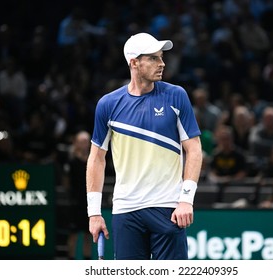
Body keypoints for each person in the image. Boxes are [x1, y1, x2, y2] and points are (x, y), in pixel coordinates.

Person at [86, 32, 203, 260]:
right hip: (126, 210)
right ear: (134, 62)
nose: (162, 64)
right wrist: (94, 213)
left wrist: (186, 199)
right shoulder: (108, 105)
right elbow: (96, 158)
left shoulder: (176, 96)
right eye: (153, 58)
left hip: (168, 207)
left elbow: (194, 149)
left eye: (161, 57)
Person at [66, 131, 94, 259]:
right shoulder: (71, 161)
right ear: (76, 143)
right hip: (75, 203)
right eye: (81, 141)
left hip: (89, 203)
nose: (84, 144)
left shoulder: (93, 160)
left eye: (86, 141)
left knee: (89, 235)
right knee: (74, 234)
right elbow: (66, 182)